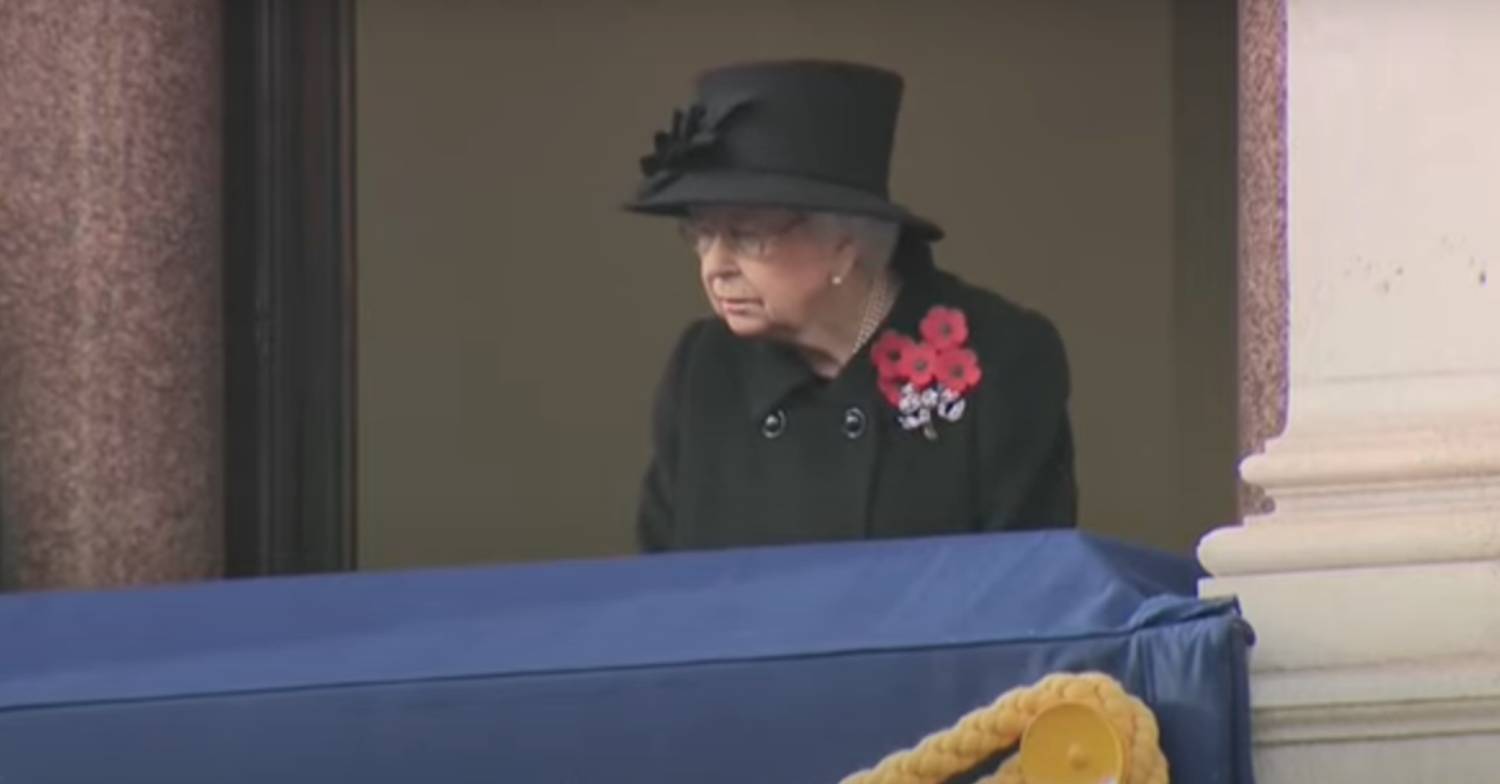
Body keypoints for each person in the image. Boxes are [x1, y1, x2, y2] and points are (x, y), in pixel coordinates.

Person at [625, 60, 1075, 552]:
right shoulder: (703, 368)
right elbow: (660, 594)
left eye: (747, 237)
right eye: (701, 235)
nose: (714, 267)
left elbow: (1031, 594)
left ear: (843, 243)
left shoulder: (1004, 354)